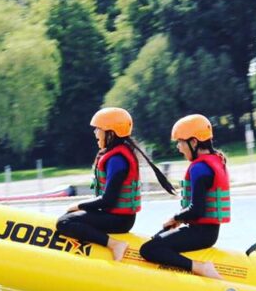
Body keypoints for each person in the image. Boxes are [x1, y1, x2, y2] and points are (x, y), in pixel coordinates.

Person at [56, 107, 175, 261]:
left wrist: (79, 205)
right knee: (69, 216)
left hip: (119, 220)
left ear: (111, 133)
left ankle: (114, 244)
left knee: (64, 222)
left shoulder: (117, 160)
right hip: (115, 216)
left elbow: (108, 200)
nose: (95, 133)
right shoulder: (116, 155)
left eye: (98, 129)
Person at [139, 114, 229, 279]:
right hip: (207, 233)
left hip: (200, 234)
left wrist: (175, 218)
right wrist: (179, 221)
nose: (179, 148)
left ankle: (200, 267)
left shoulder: (199, 168)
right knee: (157, 238)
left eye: (180, 142)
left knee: (149, 249)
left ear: (193, 142)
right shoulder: (216, 160)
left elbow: (196, 210)